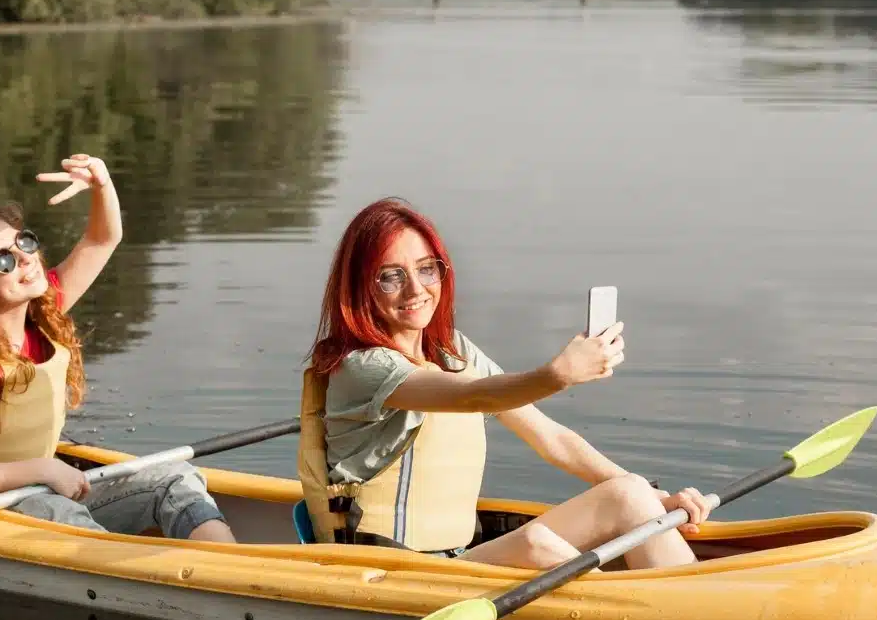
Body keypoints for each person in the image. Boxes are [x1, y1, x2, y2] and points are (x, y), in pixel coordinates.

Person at [298, 197, 709, 569]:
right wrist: (557, 375)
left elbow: (553, 439)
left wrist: (657, 501)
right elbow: (472, 396)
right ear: (360, 287)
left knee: (628, 490)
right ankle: (659, 616)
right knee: (534, 544)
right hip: (391, 570)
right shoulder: (362, 367)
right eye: (390, 276)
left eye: (426, 269)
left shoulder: (451, 351)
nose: (416, 289)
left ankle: (681, 600)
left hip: (458, 558)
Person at [0, 154, 234, 544]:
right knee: (61, 512)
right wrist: (43, 469)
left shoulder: (42, 312)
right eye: (3, 260)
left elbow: (102, 239)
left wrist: (102, 186)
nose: (26, 259)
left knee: (175, 476)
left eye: (24, 242)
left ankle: (229, 565)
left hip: (34, 484)